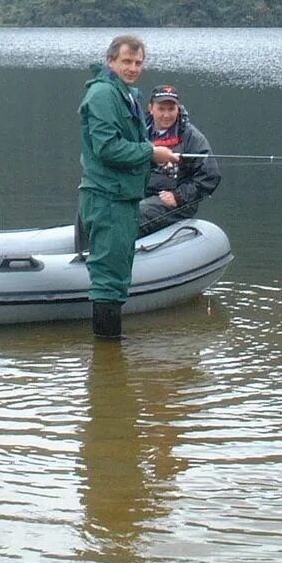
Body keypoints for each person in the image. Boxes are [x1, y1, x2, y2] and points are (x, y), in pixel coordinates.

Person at [78, 34, 178, 341]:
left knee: (117, 276)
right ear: (111, 61)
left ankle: (109, 356)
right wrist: (151, 153)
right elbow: (107, 148)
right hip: (107, 199)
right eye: (126, 62)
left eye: (138, 62)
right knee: (109, 280)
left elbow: (128, 145)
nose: (133, 68)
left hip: (122, 197)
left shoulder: (125, 94)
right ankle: (108, 354)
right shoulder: (102, 96)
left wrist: (152, 158)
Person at [137, 85, 220, 235]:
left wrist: (179, 196)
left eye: (171, 109)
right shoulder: (139, 131)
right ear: (151, 108)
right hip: (141, 193)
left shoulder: (192, 137)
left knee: (136, 214)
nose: (167, 115)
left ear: (178, 108)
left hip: (177, 202)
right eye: (161, 109)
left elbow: (210, 175)